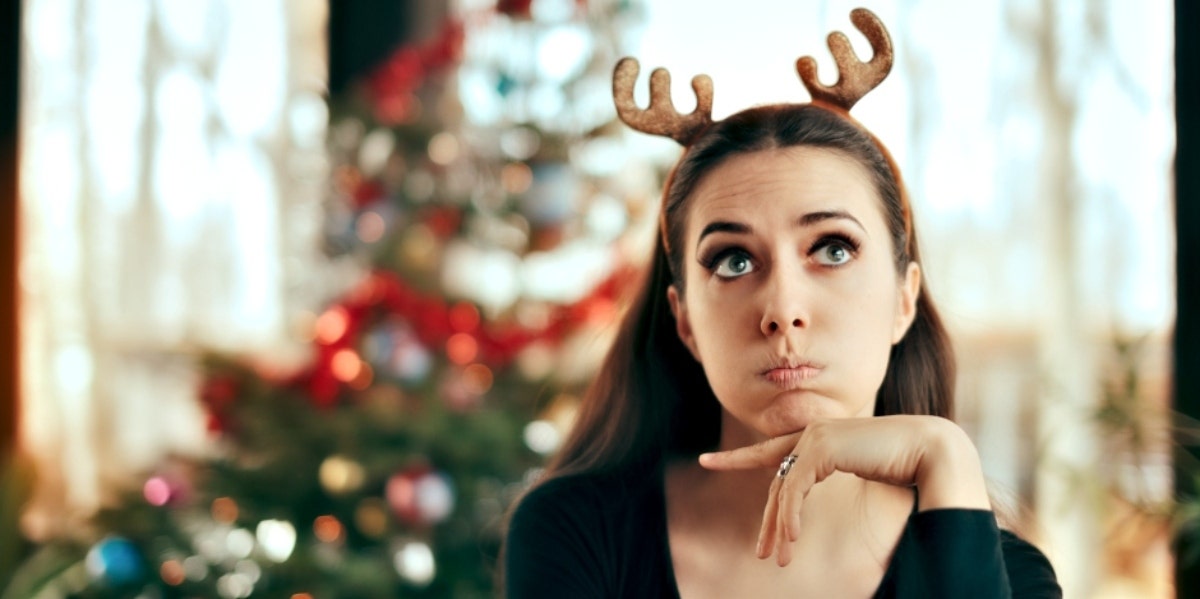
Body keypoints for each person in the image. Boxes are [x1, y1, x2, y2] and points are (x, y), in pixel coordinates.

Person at [503, 8, 1061, 598]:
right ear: (685, 320)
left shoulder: (1007, 578)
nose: (783, 309)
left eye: (832, 249)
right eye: (733, 261)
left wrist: (946, 454)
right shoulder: (577, 533)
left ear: (904, 300)